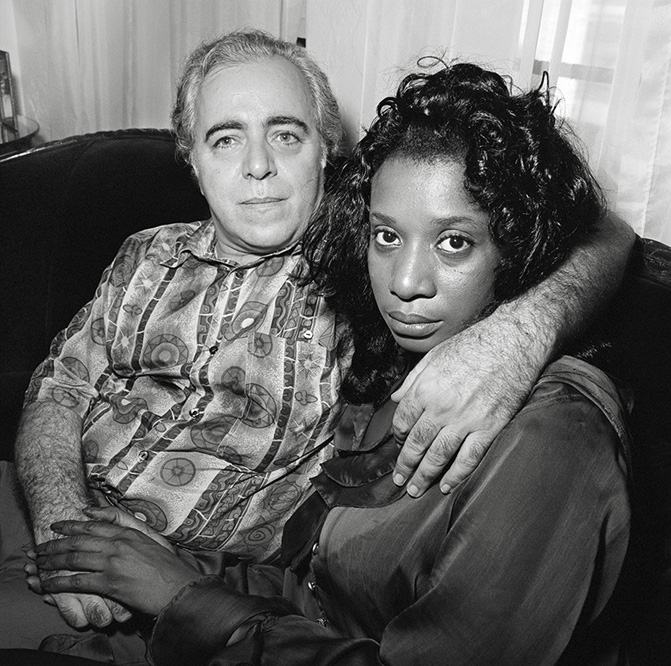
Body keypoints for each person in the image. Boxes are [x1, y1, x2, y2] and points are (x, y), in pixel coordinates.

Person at [2, 29, 633, 659]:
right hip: (56, 509)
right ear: (191, 159)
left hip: (180, 588)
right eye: (226, 138)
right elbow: (58, 388)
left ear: (328, 151)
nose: (258, 166)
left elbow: (597, 228)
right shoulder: (148, 252)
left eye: (285, 135)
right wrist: (66, 527)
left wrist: (518, 334)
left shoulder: (352, 273)